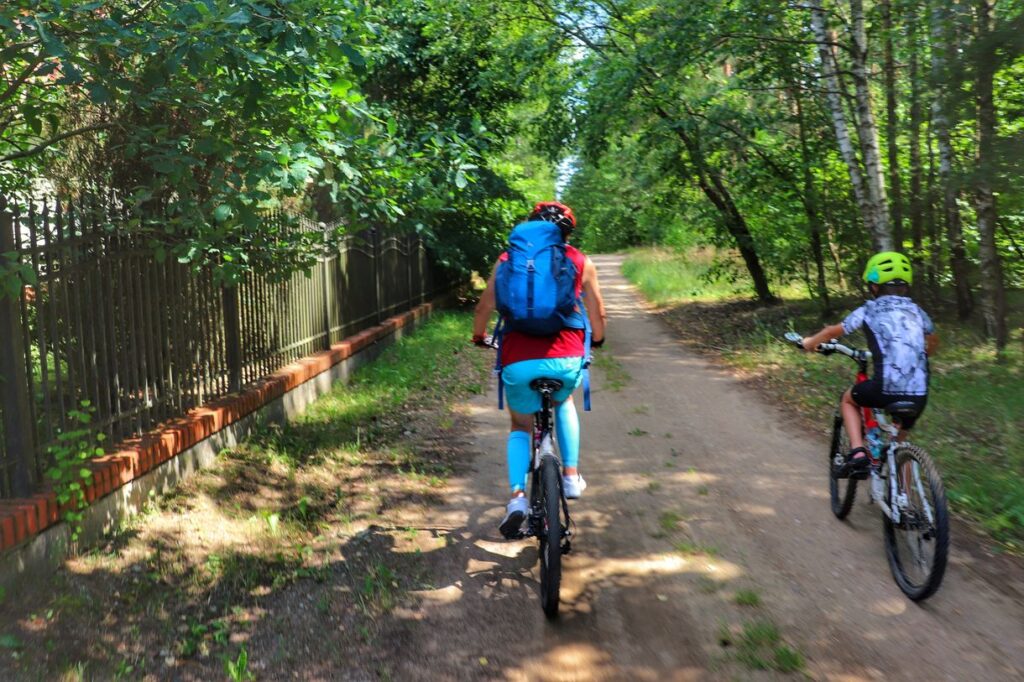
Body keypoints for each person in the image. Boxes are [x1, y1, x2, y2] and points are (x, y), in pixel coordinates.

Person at [472, 201, 607, 538]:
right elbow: (597, 312)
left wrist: (478, 336)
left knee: (520, 424)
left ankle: (517, 498)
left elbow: (484, 306)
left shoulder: (508, 260)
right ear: (567, 232)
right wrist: (599, 340)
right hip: (566, 356)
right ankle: (571, 476)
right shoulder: (579, 260)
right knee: (563, 402)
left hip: (518, 359)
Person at [800, 251, 938, 475]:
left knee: (848, 400)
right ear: (905, 286)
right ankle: (906, 504)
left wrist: (809, 343)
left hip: (884, 389)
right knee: (901, 444)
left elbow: (832, 331)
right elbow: (932, 342)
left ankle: (858, 451)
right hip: (919, 394)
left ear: (874, 286)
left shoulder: (869, 309)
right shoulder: (917, 311)